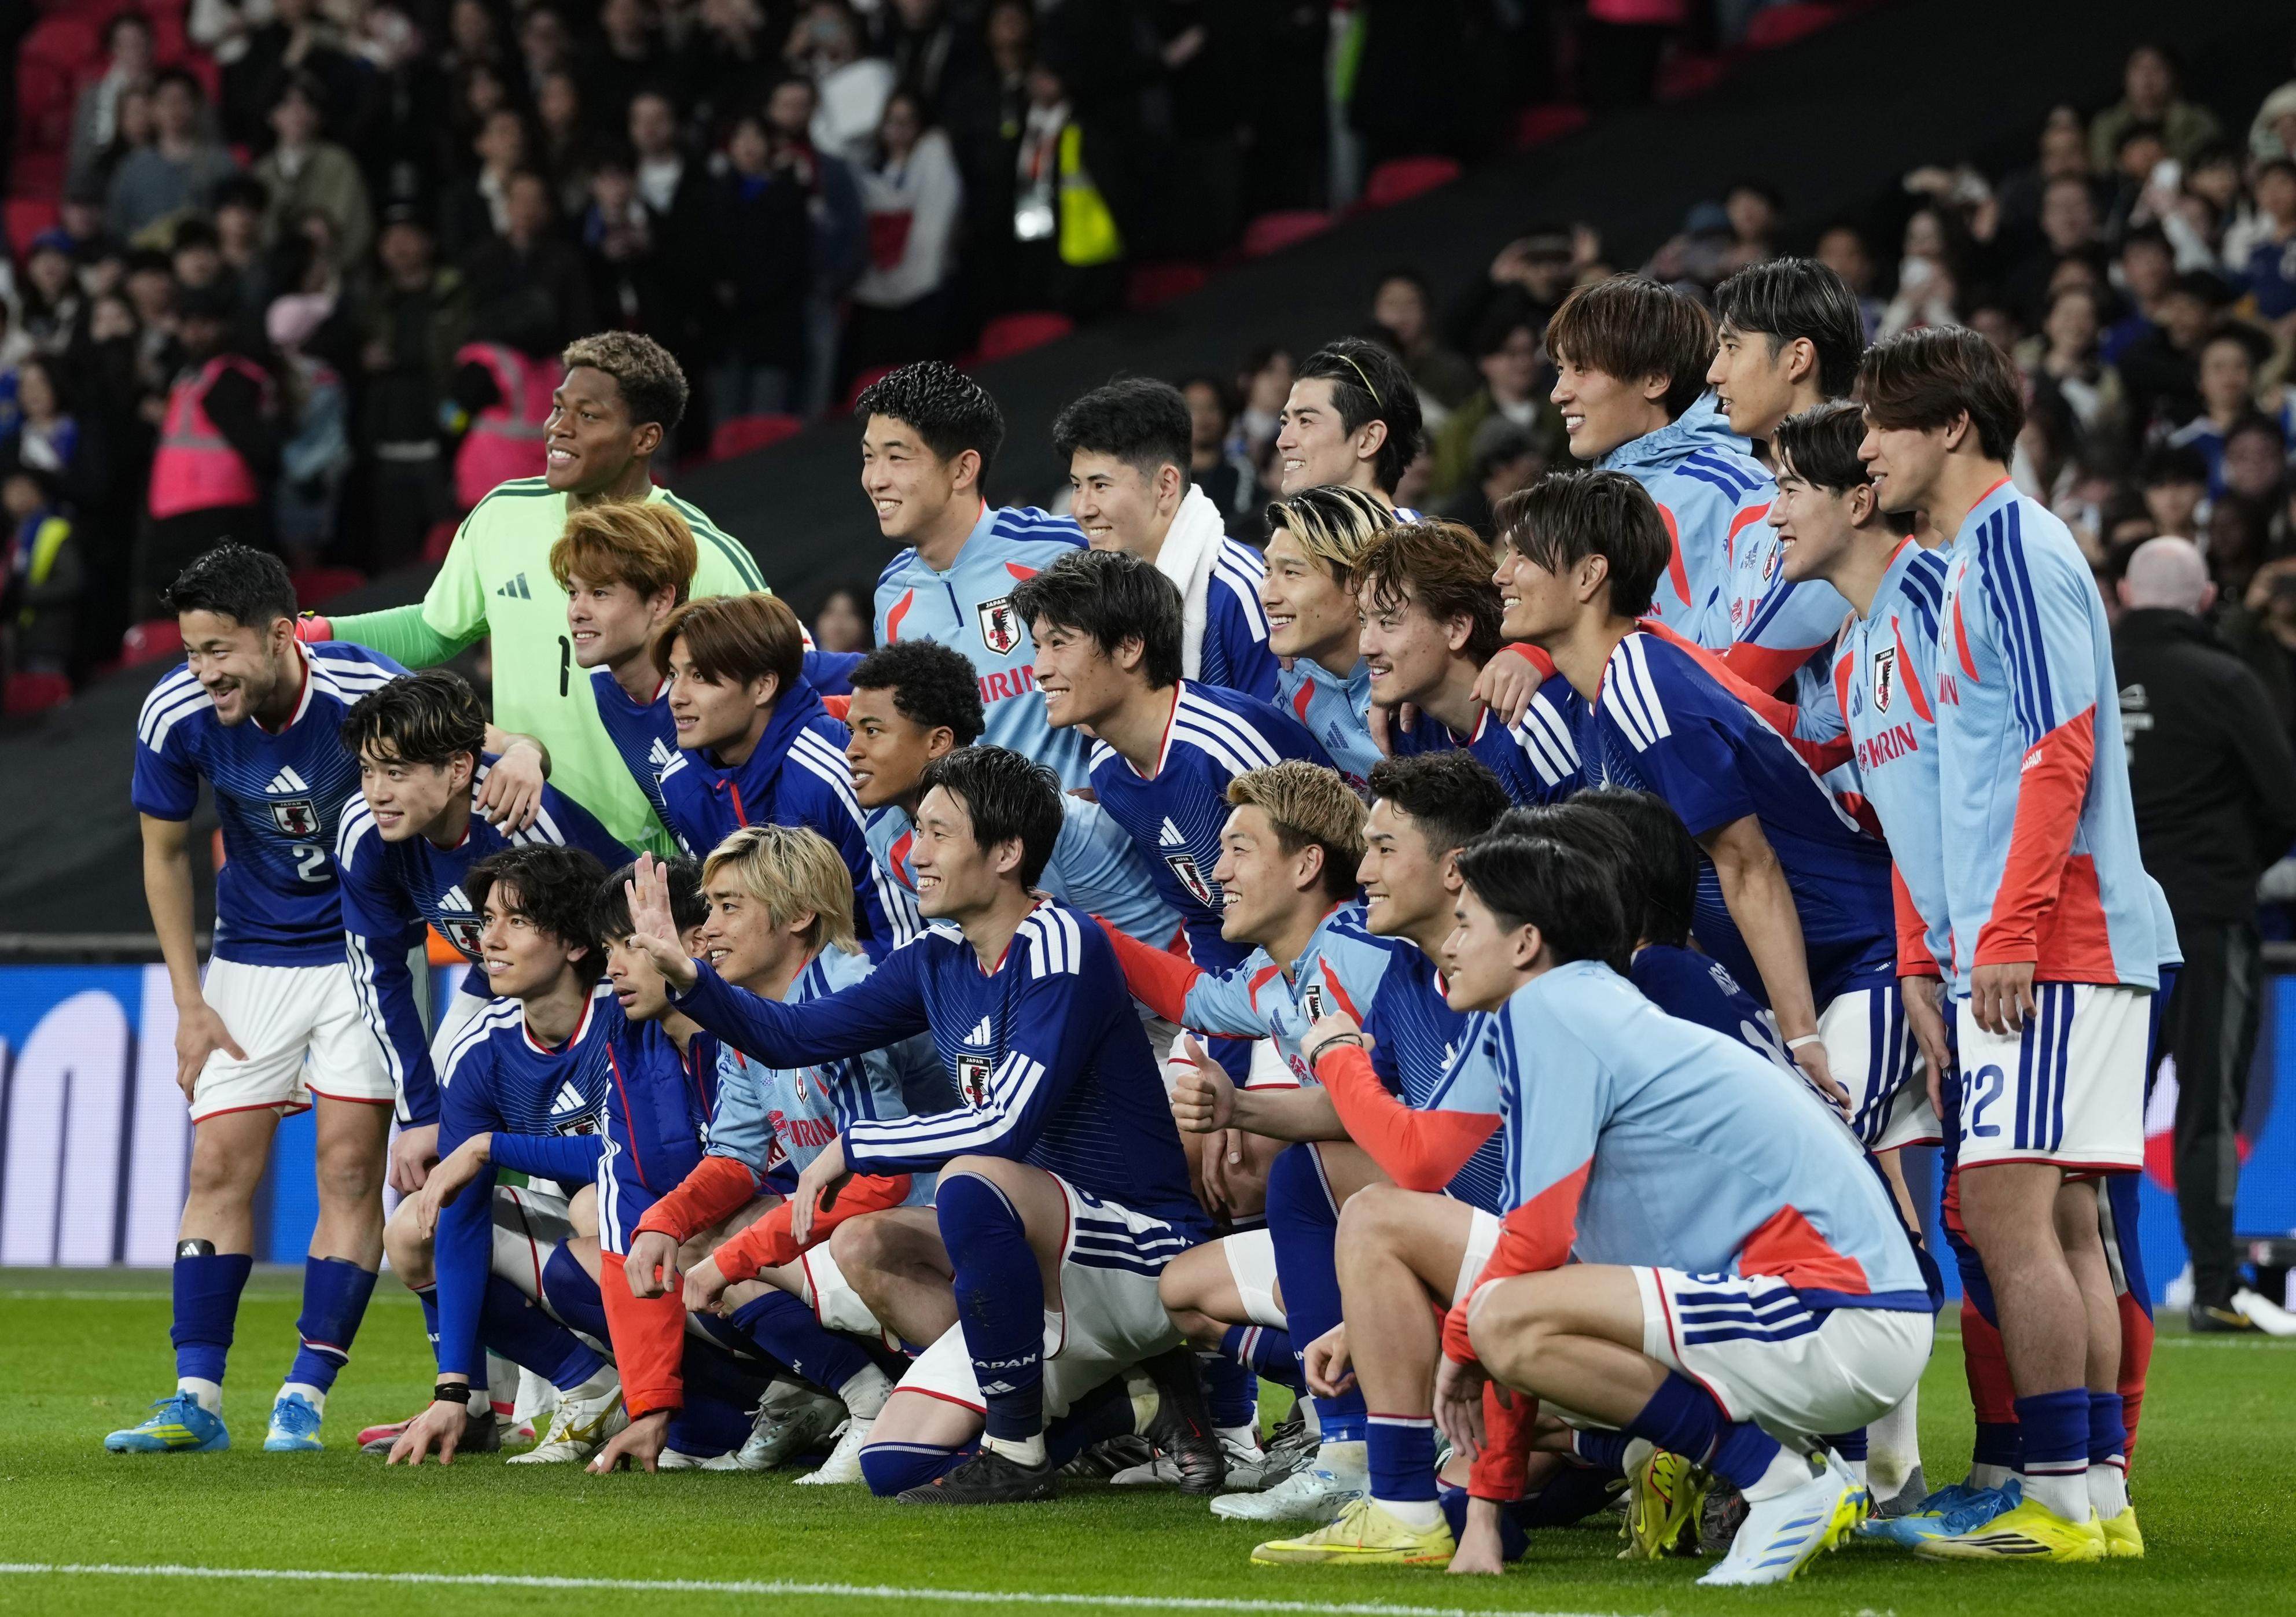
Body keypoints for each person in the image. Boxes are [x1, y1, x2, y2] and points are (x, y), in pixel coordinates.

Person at [1294, 834, 1931, 1583]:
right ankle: (1461, 1500)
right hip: (1806, 1302)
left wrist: (1461, 1349)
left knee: (1500, 1319)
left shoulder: (1554, 1014)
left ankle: (1781, 1482)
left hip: (1836, 1312)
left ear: (1527, 940)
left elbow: (1528, 1252)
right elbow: (1443, 1179)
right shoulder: (1562, 1004)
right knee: (1473, 1295)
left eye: (1467, 923)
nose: (1452, 943)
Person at [626, 747, 1224, 1504]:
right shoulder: (938, 955)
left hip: (1134, 1245)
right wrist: (691, 978)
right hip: (1040, 1254)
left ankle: (1034, 1438)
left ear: (1006, 853)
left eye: (939, 833)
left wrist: (854, 1146)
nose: (915, 852)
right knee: (892, 1453)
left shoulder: (1065, 942)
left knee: (972, 1178)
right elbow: (795, 1035)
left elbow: (1005, 1122)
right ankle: (1105, 1405)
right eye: (916, 830)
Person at [1859, 326, 2159, 1561]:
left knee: (2004, 1210)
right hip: (2058, 930)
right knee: (2066, 1219)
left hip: (2052, 932)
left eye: (1881, 419)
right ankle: (2089, 1497)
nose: (1862, 442)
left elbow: (2058, 744)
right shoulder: (1976, 555)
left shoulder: (2015, 550)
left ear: (1949, 428)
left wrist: (2009, 929)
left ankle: (2052, 1493)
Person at [1146, 755, 1515, 1526]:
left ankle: (1372, 1431)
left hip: (1537, 1252)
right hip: (1481, 1241)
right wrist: (1241, 1105)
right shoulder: (1398, 968)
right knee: (1186, 1286)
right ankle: (1361, 1426)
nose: (1217, 873)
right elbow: (1379, 1113)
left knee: (1333, 1190)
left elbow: (1412, 1143)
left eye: (1239, 850)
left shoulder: (1382, 954)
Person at [111, 544, 404, 1457]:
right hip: (251, 955)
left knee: (350, 1168)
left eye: (220, 650)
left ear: (281, 634)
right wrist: (189, 1000)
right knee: (215, 1168)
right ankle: (194, 1397)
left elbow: (462, 763)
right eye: (192, 651)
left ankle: (304, 1395)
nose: (204, 673)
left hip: (364, 953)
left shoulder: (370, 696)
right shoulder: (175, 712)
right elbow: (163, 854)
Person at [304, 331, 772, 854]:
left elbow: (780, 688)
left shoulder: (705, 554)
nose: (558, 428)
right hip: (528, 840)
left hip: (663, 861)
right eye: (557, 407)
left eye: (588, 416)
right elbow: (432, 630)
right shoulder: (503, 514)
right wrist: (316, 635)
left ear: (644, 439)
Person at [591, 833, 937, 1480]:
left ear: (798, 915)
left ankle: (926, 1402)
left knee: (836, 1238)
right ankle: (866, 1394)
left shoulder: (847, 990)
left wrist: (735, 1257)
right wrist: (664, 1220)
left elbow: (881, 1177)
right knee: (686, 1243)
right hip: (883, 1230)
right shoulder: (745, 1015)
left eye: (727, 907)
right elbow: (736, 1156)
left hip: (941, 1228)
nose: (709, 929)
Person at [1009, 549, 1331, 1077]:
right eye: (1039, 646)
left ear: (1131, 647)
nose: (1040, 669)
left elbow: (1344, 877)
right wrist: (1223, 1044)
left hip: (1333, 976)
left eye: (1060, 644)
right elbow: (1207, 916)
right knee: (1187, 1120)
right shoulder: (1111, 770)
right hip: (1250, 986)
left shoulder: (1223, 745)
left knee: (1244, 1143)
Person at [382, 845, 630, 1469]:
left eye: (515, 921)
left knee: (597, 1205)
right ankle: (588, 1383)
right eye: (487, 917)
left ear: (575, 942)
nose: (487, 939)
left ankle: (720, 1393)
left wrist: (492, 1145)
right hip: (593, 1236)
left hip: (687, 1225)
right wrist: (452, 1386)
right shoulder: (483, 1047)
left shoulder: (629, 1016)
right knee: (416, 1225)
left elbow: (640, 1162)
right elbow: (462, 1218)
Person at [333, 669, 628, 1169]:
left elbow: (620, 929)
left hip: (599, 976)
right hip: (500, 974)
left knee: (586, 1156)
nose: (376, 792)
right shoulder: (363, 832)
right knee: (435, 1141)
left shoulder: (522, 820)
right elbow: (379, 976)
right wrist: (419, 1114)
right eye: (367, 770)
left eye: (397, 772)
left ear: (458, 769)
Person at [2114, 537, 2296, 1330]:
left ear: (2121, 593)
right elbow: (2285, 800)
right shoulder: (2226, 678)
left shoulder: (2079, 672)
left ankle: (2098, 1277)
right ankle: (2215, 1285)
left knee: (2097, 1111)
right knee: (2208, 1109)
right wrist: (2229, 867)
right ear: (2204, 598)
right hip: (2206, 919)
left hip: (2101, 927)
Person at [842, 639, 1178, 948]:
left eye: (872, 731)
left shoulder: (1010, 806)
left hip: (1164, 994)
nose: (851, 751)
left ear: (938, 742)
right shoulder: (883, 829)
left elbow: (1045, 953)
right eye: (852, 731)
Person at [650, 591, 921, 961]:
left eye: (699, 676)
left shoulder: (838, 769)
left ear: (763, 686)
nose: (676, 696)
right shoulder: (678, 782)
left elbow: (905, 939)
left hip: (871, 993)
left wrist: (815, 1000)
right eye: (672, 674)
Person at [862, 361, 1091, 786]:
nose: (875, 479)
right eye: (869, 457)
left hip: (1089, 839)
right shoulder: (891, 596)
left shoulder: (1064, 548)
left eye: (896, 457)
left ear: (963, 470)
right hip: (974, 845)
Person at [1545, 274, 1770, 648]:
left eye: (1581, 368)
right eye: (1560, 369)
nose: (1559, 393)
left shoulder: (1737, 491)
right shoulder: (1584, 501)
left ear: (1655, 380)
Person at [1055, 376, 1278, 701]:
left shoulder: (1244, 590)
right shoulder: (1095, 595)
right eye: (1077, 486)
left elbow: (1273, 739)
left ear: (1165, 486)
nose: (1081, 509)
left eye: (1100, 485)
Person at [1706, 258, 1868, 695]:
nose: (1714, 372)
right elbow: (1711, 658)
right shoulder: (1747, 511)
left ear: (1797, 358)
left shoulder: (1861, 486)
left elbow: (1735, 681)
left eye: (1733, 347)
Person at [1352, 518, 1580, 805]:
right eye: (1364, 621)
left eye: (1387, 622)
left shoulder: (1534, 719)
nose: (1365, 646)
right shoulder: (1410, 731)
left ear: (1457, 628)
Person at [138, 283, 277, 618]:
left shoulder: (231, 376)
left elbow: (260, 447)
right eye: (188, 324)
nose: (195, 333)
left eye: (204, 323)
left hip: (219, 511)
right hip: (176, 511)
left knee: (220, 609)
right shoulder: (189, 376)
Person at [1259, 484, 1393, 785]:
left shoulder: (1421, 681)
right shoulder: (1292, 678)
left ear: (1358, 582)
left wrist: (1523, 653)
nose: (1267, 596)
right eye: (1268, 570)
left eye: (1292, 573)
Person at [1273, 337, 1426, 512]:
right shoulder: (1287, 534)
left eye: (1305, 421)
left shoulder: (1423, 540)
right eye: (1284, 423)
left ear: (1369, 439)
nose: (1282, 442)